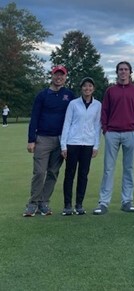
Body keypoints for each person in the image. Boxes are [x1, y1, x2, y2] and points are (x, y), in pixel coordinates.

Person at [23, 65, 75, 217]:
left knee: (53, 172)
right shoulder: (42, 95)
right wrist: (31, 139)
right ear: (52, 76)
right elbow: (35, 117)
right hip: (43, 138)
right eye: (56, 74)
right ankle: (33, 203)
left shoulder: (69, 95)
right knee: (39, 172)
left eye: (62, 75)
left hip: (61, 139)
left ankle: (44, 202)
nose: (59, 77)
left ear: (65, 77)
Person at [93, 61, 134, 215]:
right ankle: (103, 202)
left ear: (130, 72)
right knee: (108, 169)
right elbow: (105, 111)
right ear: (117, 72)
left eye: (126, 69)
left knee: (128, 168)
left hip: (130, 133)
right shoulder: (110, 91)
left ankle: (127, 201)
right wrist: (106, 130)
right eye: (120, 69)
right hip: (112, 133)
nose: (123, 72)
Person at [60, 77, 102, 216]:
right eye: (85, 86)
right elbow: (67, 123)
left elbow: (97, 126)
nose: (87, 88)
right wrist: (63, 145)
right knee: (69, 174)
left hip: (88, 144)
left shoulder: (97, 105)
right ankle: (67, 205)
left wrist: (96, 145)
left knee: (83, 175)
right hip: (73, 143)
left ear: (93, 88)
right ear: (81, 88)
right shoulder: (73, 104)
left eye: (90, 86)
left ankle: (79, 204)